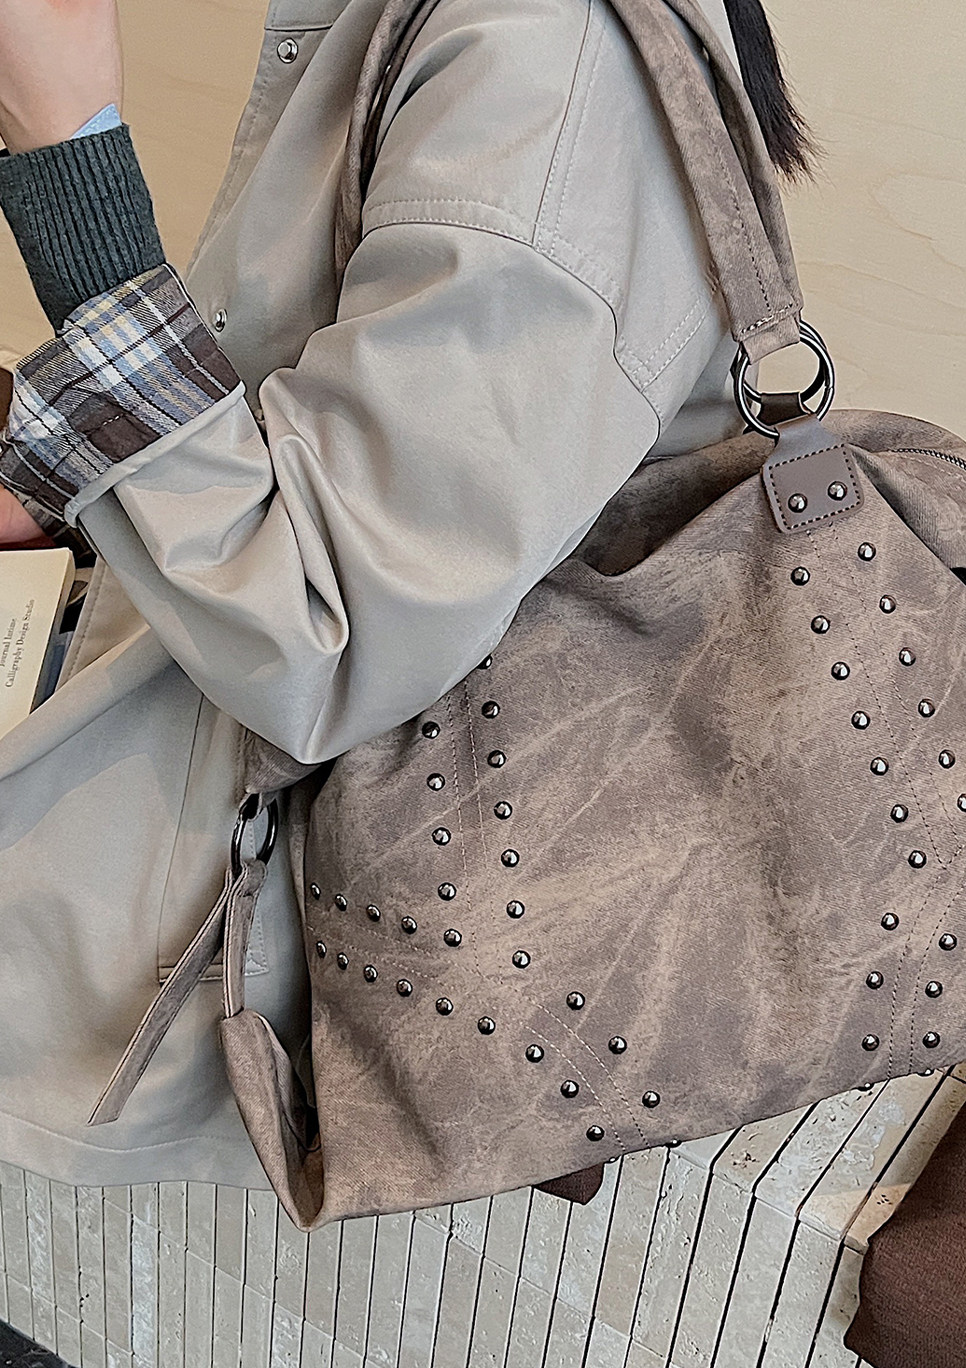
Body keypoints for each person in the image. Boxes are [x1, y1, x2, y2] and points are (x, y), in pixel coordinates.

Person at [0, 0, 813, 1186]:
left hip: (251, 914)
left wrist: (67, 149)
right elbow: (336, 426)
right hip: (209, 744)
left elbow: (322, 632)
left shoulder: (546, 69)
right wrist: (73, 468)